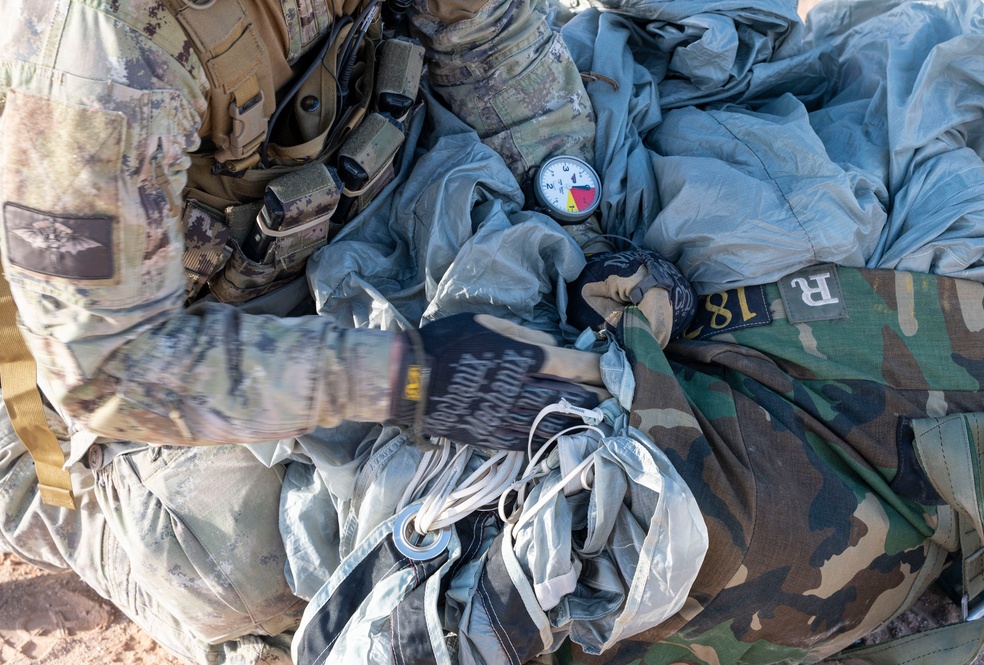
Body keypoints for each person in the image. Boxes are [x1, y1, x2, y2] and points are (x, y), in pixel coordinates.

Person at [0, 0, 603, 663]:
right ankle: (56, 500)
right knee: (244, 558)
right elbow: (107, 366)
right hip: (138, 327)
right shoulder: (100, 49)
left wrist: (582, 239)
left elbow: (487, 38)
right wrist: (407, 378)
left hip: (350, 200)